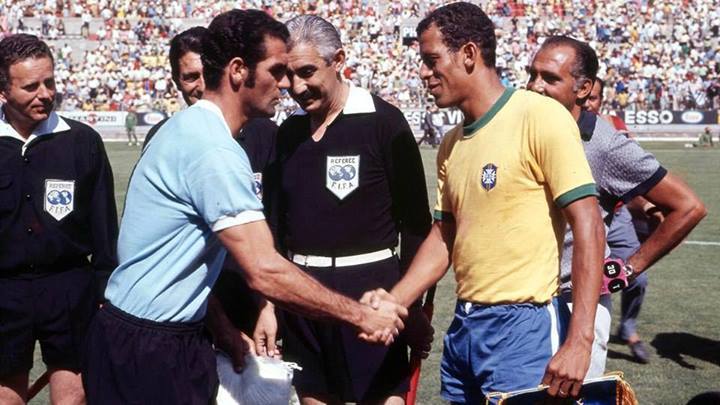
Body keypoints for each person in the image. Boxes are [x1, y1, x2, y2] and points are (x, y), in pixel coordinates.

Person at [80, 10, 407, 404]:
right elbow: (265, 270)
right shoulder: (214, 149)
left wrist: (221, 328)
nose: (286, 84)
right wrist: (362, 315)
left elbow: (178, 263)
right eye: (276, 70)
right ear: (238, 70)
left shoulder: (184, 128)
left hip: (141, 335)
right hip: (149, 349)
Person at [364, 3, 606, 402]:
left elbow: (588, 223)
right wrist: (395, 301)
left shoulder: (540, 116)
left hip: (524, 327)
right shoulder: (451, 144)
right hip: (465, 326)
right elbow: (445, 236)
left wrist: (580, 340)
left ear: (469, 54)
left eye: (431, 60)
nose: (423, 72)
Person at [260, 15, 433, 405]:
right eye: (288, 75)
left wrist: (411, 307)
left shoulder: (383, 122)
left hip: (372, 296)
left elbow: (416, 225)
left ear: (338, 60)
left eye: (307, 72)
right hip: (303, 301)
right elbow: (273, 230)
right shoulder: (287, 134)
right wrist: (271, 305)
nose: (296, 87)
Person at [527, 36, 706, 372]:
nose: (535, 86)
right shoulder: (527, 126)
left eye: (549, 78)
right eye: (531, 74)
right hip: (520, 300)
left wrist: (630, 268)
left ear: (584, 89)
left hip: (573, 303)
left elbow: (689, 206)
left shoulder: (604, 144)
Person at [0, 34, 118, 405]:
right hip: (4, 291)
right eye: (31, 86)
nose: (45, 94)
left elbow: (104, 227)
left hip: (69, 287)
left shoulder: (83, 141)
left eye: (49, 82)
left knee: (75, 396)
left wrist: (106, 290)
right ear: (3, 91)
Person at [142, 26, 206, 149]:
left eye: (211, 74)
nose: (202, 87)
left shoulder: (246, 134)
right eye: (191, 78)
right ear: (177, 82)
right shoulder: (159, 137)